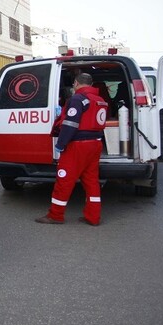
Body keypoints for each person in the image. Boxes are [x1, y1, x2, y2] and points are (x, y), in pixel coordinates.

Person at [36, 73, 108, 226]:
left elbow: (70, 124)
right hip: (95, 144)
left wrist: (60, 144)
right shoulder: (100, 100)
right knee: (91, 182)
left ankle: (55, 215)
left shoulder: (77, 99)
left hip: (78, 145)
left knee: (64, 180)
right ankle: (93, 217)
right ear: (91, 83)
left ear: (76, 83)